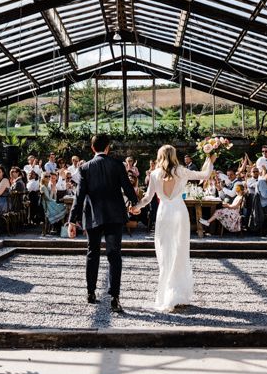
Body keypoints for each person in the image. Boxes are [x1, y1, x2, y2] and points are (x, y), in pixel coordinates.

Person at [133, 145, 213, 312]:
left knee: (164, 252)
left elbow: (148, 198)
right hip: (179, 211)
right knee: (180, 251)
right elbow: (204, 175)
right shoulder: (181, 171)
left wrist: (137, 207)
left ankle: (167, 294)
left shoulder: (154, 174)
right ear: (174, 155)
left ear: (160, 156)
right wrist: (209, 159)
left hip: (164, 212)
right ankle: (178, 294)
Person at [68, 133, 139, 313]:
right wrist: (136, 204)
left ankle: (91, 293)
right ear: (108, 147)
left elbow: (79, 196)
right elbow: (128, 188)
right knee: (114, 256)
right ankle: (115, 298)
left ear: (92, 148)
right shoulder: (117, 165)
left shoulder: (84, 168)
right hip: (114, 216)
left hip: (93, 216)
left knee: (92, 254)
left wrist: (71, 220)